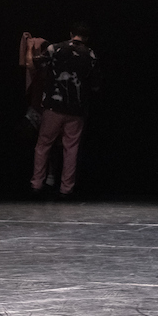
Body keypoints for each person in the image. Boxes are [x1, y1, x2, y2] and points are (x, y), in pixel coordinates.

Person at [30, 22, 101, 199]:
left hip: (54, 106)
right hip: (76, 110)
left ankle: (37, 184)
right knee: (71, 148)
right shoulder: (91, 54)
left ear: (71, 34)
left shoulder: (55, 48)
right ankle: (66, 189)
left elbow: (37, 65)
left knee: (43, 145)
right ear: (87, 37)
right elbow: (96, 86)